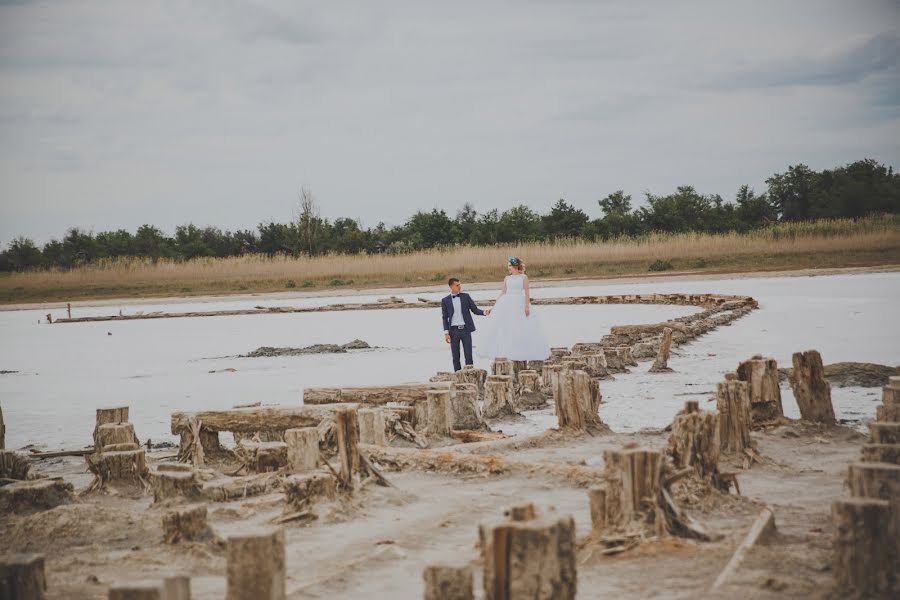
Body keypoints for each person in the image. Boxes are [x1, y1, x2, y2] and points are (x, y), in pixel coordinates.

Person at [477, 257, 550, 361]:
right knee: (507, 327)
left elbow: (527, 293)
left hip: (519, 303)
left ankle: (520, 351)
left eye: (510, 266)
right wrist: (495, 305)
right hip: (506, 303)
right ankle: (507, 352)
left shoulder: (523, 277)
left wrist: (526, 306)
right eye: (508, 266)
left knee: (520, 327)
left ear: (515, 266)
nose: (508, 268)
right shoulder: (507, 278)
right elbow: (503, 292)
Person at [441, 278, 490, 372]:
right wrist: (446, 333)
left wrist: (485, 312)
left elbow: (475, 310)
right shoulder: (445, 300)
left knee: (468, 355)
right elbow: (444, 317)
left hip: (466, 330)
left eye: (460, 284)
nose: (459, 287)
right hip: (453, 331)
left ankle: (470, 376)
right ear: (451, 286)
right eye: (457, 285)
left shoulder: (466, 297)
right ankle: (457, 377)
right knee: (455, 356)